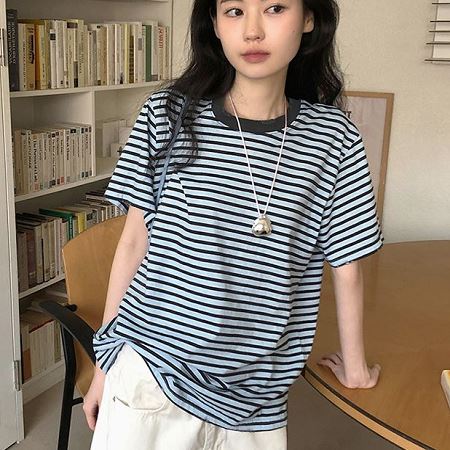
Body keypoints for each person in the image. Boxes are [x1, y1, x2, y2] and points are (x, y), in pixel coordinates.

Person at [86, 0, 384, 449]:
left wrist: (356, 368)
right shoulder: (167, 115)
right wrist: (104, 366)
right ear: (214, 23)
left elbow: (347, 264)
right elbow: (133, 243)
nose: (253, 31)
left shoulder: (334, 137)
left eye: (275, 8)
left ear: (309, 18)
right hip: (152, 369)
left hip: (257, 395)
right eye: (234, 11)